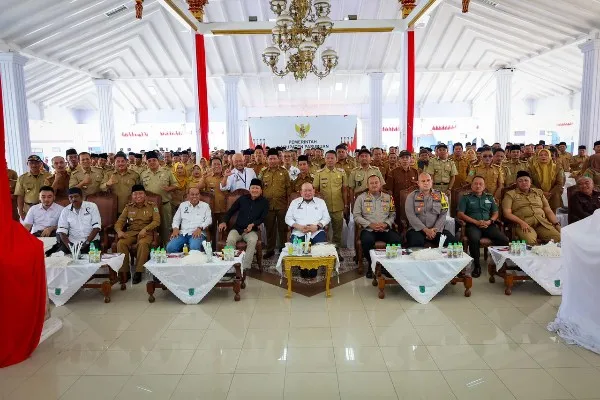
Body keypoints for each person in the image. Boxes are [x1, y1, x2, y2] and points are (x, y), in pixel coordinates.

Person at [457, 176, 509, 277]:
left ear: (484, 186)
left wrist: (490, 221)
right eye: (475, 184)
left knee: (504, 239)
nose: (478, 186)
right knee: (474, 239)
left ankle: (498, 264)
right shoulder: (466, 197)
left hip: (488, 225)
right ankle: (477, 266)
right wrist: (476, 222)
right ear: (471, 186)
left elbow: (495, 212)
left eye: (480, 184)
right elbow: (460, 214)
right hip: (472, 225)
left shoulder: (489, 197)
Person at [354, 175, 402, 278]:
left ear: (380, 184)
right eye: (372, 183)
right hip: (369, 229)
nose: (374, 185)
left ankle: (387, 266)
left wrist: (386, 224)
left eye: (376, 182)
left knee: (396, 240)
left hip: (384, 229)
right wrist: (370, 224)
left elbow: (392, 214)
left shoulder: (388, 198)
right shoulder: (361, 198)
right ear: (367, 185)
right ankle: (373, 265)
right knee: (366, 242)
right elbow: (356, 216)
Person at [218, 179, 269, 271]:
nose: (254, 190)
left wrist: (253, 224)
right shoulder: (242, 199)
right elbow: (230, 211)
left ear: (261, 190)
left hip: (251, 230)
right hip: (237, 229)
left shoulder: (264, 202)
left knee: (253, 240)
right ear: (249, 189)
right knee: (230, 239)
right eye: (253, 188)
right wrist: (224, 221)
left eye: (257, 188)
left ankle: (244, 267)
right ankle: (230, 266)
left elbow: (263, 218)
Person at [115, 185, 161, 284]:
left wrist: (145, 228)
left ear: (145, 195)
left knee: (143, 243)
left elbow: (157, 221)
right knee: (121, 243)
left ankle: (138, 271)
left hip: (147, 232)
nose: (138, 196)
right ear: (132, 196)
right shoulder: (128, 207)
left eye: (140, 193)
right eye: (135, 194)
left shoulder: (152, 206)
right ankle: (124, 272)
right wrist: (119, 231)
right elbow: (120, 221)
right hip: (131, 232)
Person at [285, 182, 331, 278]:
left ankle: (314, 267)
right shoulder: (295, 202)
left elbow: (327, 218)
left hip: (316, 231)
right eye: (305, 190)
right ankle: (303, 267)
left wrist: (317, 226)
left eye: (310, 190)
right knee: (298, 250)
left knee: (318, 248)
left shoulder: (320, 202)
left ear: (313, 191)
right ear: (301, 192)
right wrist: (298, 227)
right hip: (299, 231)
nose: (307, 193)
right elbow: (287, 218)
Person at [502, 171, 561, 245]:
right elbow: (507, 213)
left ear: (530, 182)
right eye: (520, 181)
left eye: (526, 180)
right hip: (524, 224)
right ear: (516, 183)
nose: (524, 182)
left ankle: (545, 252)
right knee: (530, 241)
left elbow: (548, 210)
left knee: (558, 238)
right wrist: (521, 223)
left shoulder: (539, 192)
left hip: (542, 223)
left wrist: (556, 224)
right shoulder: (510, 194)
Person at [313, 151, 349, 260]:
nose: (330, 160)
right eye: (328, 158)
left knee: (338, 230)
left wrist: (346, 205)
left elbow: (344, 190)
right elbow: (316, 191)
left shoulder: (341, 172)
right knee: (324, 231)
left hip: (338, 207)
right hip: (324, 208)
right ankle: (325, 251)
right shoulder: (319, 173)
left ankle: (336, 251)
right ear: (325, 159)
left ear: (336, 159)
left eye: (332, 158)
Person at [405, 173, 456, 248]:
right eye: (423, 181)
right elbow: (411, 216)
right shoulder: (411, 196)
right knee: (416, 243)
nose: (426, 183)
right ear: (418, 183)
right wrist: (426, 230)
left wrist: (433, 231)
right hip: (417, 230)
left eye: (428, 180)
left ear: (432, 181)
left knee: (453, 242)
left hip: (436, 230)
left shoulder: (441, 195)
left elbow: (443, 214)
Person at [139, 151, 179, 244]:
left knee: (166, 229)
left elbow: (176, 185)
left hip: (164, 206)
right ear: (146, 162)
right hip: (149, 207)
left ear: (158, 161)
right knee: (150, 229)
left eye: (154, 160)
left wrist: (170, 188)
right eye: (149, 161)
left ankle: (167, 249)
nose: (152, 162)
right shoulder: (143, 174)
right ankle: (152, 252)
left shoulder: (167, 172)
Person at [259, 148, 292, 258]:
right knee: (270, 229)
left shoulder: (284, 172)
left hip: (282, 205)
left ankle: (283, 248)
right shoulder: (263, 172)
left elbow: (288, 190)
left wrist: (288, 206)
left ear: (278, 159)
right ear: (267, 160)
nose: (272, 160)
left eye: (274, 158)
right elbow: (259, 189)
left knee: (283, 229)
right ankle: (270, 250)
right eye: (270, 158)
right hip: (268, 206)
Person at [54, 187, 101, 255]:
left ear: (82, 197)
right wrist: (70, 246)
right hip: (73, 242)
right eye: (71, 197)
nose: (73, 199)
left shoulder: (92, 206)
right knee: (60, 258)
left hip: (91, 241)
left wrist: (87, 242)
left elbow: (96, 227)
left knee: (94, 260)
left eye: (76, 196)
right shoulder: (65, 210)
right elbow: (62, 232)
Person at [167, 187, 212, 254]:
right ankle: (181, 262)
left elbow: (209, 220)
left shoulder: (205, 206)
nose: (195, 196)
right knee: (170, 248)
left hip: (197, 233)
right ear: (188, 195)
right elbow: (176, 219)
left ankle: (193, 263)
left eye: (197, 194)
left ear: (199, 195)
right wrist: (175, 228)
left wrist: (200, 228)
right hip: (183, 233)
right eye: (192, 194)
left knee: (194, 248)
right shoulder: (183, 205)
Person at [14, 155, 49, 221]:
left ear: (41, 164)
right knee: (29, 229)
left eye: (36, 163)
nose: (34, 165)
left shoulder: (48, 176)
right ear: (27, 164)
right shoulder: (22, 178)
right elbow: (20, 196)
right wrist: (21, 213)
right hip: (28, 209)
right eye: (31, 163)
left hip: (45, 208)